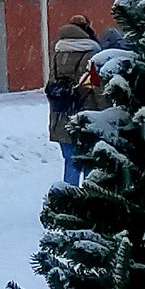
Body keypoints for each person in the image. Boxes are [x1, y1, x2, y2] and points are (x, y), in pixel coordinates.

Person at [49, 14, 102, 188]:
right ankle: (88, 202)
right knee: (90, 163)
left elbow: (51, 85)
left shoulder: (57, 53)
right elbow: (96, 88)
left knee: (70, 163)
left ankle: (68, 201)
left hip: (61, 116)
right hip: (87, 117)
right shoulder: (92, 53)